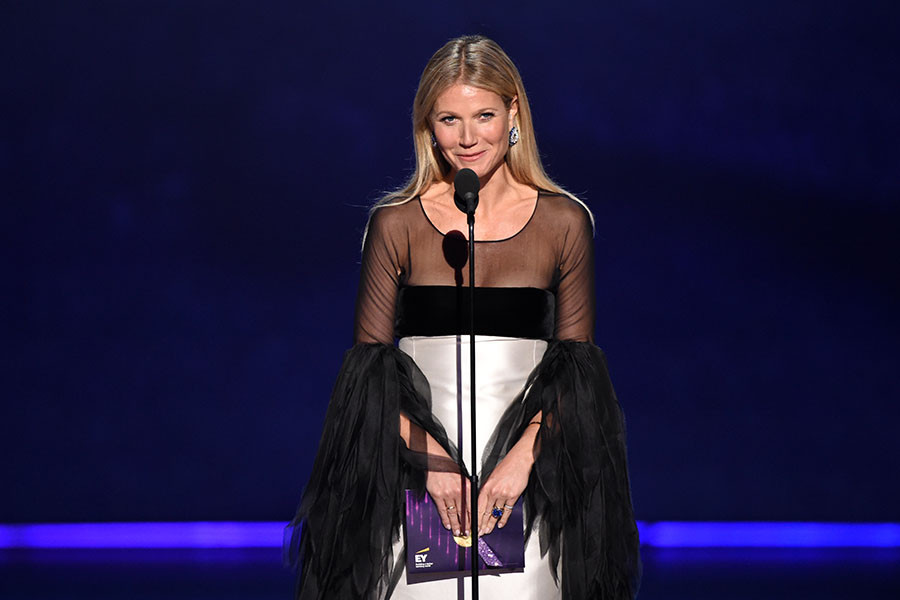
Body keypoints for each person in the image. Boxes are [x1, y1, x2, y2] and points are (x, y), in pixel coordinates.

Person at [286, 35, 641, 600]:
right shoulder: (396, 223)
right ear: (428, 124)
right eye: (450, 118)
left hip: (529, 476)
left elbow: (578, 375)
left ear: (513, 114)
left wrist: (523, 458)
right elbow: (368, 379)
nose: (468, 137)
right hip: (418, 476)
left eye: (483, 115)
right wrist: (432, 462)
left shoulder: (564, 222)